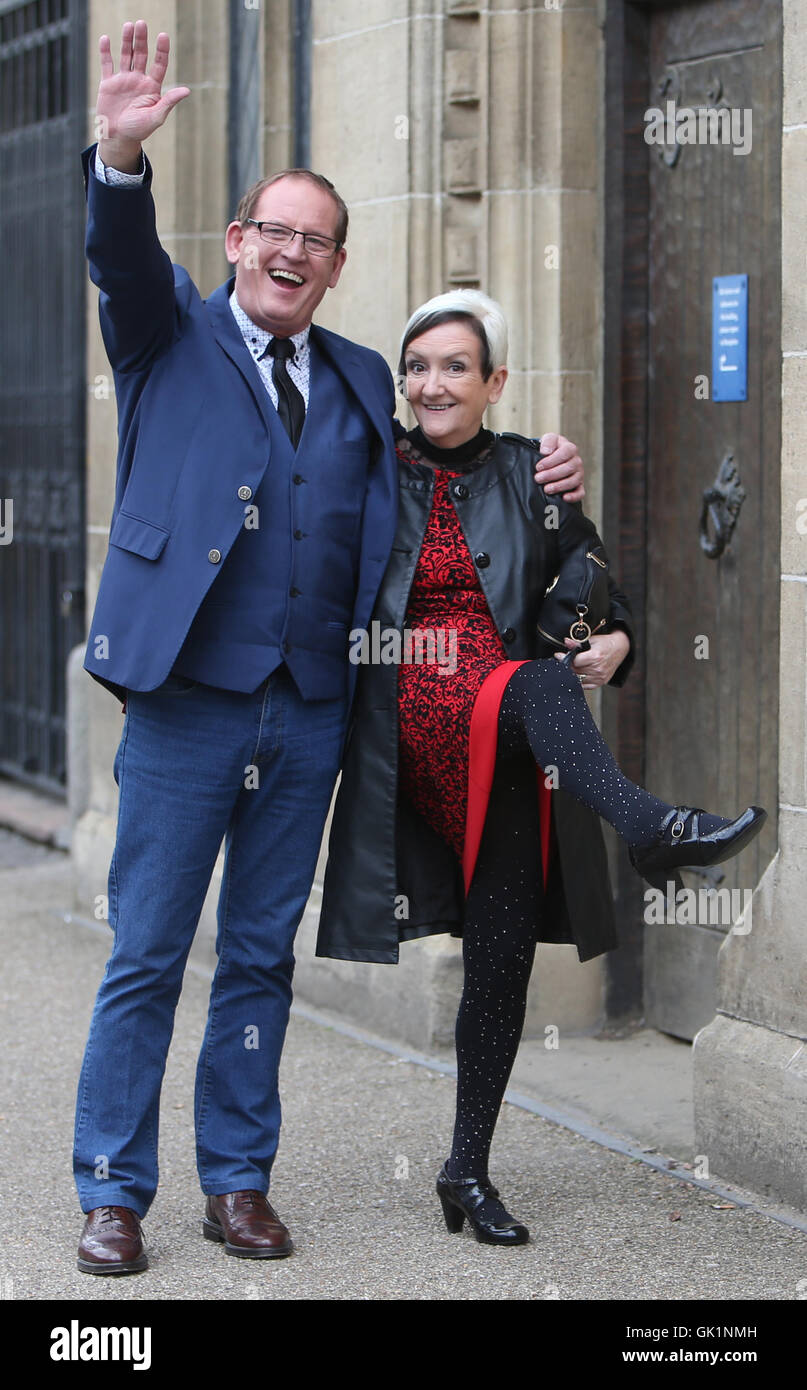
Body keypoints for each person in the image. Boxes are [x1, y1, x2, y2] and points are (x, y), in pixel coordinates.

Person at [73, 22, 586, 1274]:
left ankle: (237, 1179)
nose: (292, 252)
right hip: (189, 703)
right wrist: (124, 154)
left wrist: (540, 468)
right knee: (148, 951)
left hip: (307, 711)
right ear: (237, 243)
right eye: (274, 231)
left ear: (337, 265)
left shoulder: (361, 379)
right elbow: (120, 257)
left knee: (259, 954)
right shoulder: (165, 336)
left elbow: (450, 468)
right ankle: (113, 1190)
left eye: (317, 239)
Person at [316, 289, 766, 1247]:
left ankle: (465, 1173)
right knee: (532, 685)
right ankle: (648, 827)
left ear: (494, 384)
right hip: (415, 713)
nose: (431, 384)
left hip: (514, 743)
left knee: (502, 962)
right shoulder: (369, 469)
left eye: (454, 368)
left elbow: (599, 592)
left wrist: (617, 650)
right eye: (418, 366)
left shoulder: (533, 474)